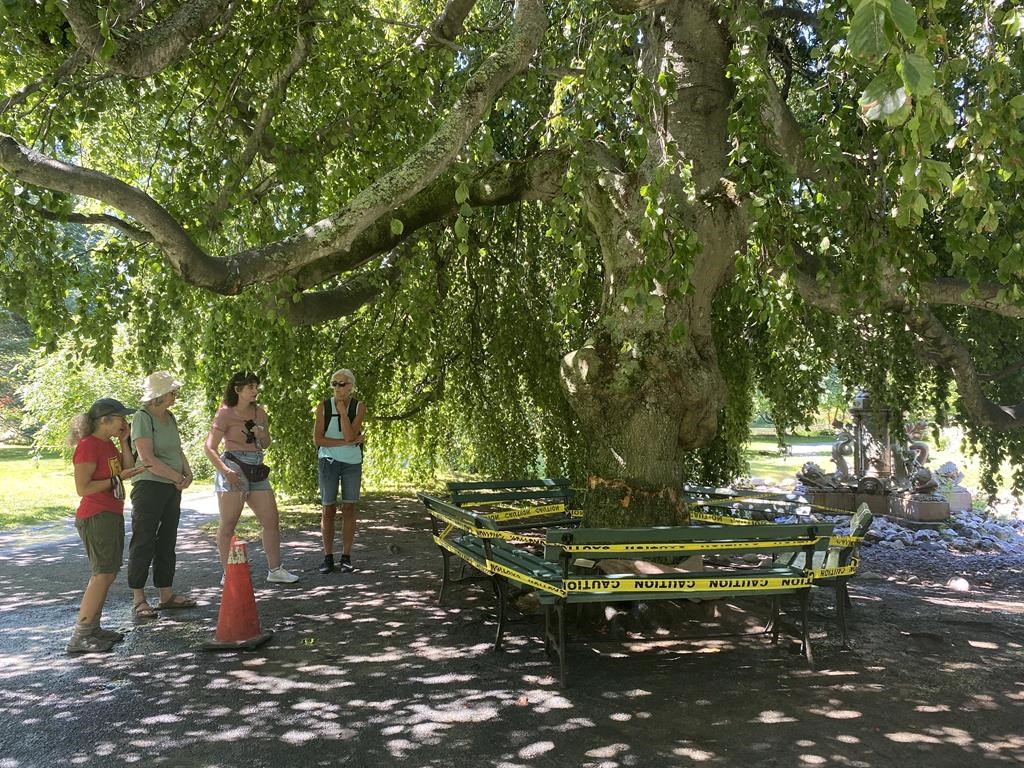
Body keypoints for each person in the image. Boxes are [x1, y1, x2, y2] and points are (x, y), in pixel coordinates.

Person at [204, 370, 299, 584]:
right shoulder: (225, 413)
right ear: (238, 390)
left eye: (256, 386)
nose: (255, 391)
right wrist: (225, 472)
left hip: (256, 466)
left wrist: (261, 433)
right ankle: (229, 574)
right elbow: (209, 447)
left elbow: (266, 443)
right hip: (233, 467)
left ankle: (275, 570)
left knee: (271, 520)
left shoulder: (260, 412)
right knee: (228, 523)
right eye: (251, 387)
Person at [68, 398, 147, 652]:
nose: (124, 422)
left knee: (109, 573)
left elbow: (128, 468)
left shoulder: (108, 444)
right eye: (120, 418)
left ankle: (93, 629)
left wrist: (124, 442)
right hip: (96, 515)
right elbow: (84, 488)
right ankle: (80, 636)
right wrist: (116, 478)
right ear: (105, 421)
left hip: (110, 514)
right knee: (102, 574)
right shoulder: (88, 446)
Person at [127, 371, 196, 619]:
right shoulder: (142, 418)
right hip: (149, 486)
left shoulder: (170, 417)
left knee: (167, 540)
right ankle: (139, 599)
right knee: (144, 540)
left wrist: (187, 472)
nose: (175, 394)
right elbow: (147, 459)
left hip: (170, 486)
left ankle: (166, 595)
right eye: (171, 391)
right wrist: (176, 477)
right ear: (158, 395)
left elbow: (176, 450)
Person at [313, 368, 365, 574]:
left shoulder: (359, 407)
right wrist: (346, 441)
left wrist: (343, 412)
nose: (337, 388)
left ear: (351, 386)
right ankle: (327, 557)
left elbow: (351, 435)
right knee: (328, 509)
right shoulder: (323, 407)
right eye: (334, 383)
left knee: (349, 508)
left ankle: (346, 556)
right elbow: (318, 440)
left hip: (352, 463)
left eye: (341, 384)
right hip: (328, 461)